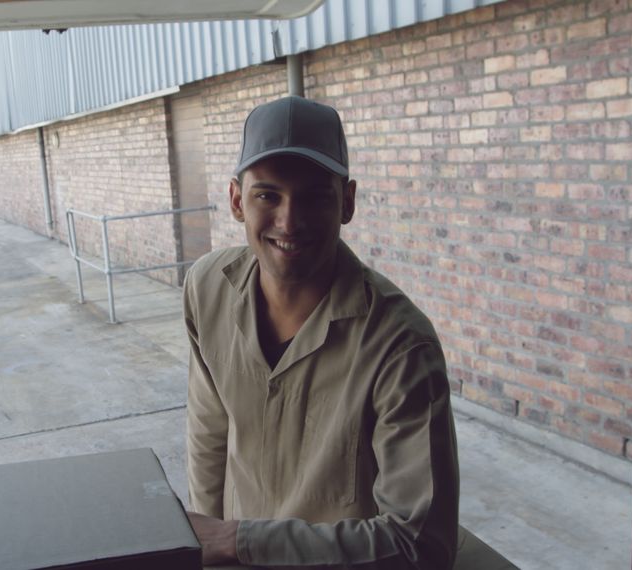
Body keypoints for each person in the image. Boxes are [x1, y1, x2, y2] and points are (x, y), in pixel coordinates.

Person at [184, 96, 459, 568]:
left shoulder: (400, 346)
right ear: (236, 201)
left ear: (347, 202)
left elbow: (421, 545)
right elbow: (209, 436)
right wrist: (203, 548)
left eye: (315, 196)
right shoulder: (208, 289)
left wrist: (240, 541)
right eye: (267, 195)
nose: (290, 221)